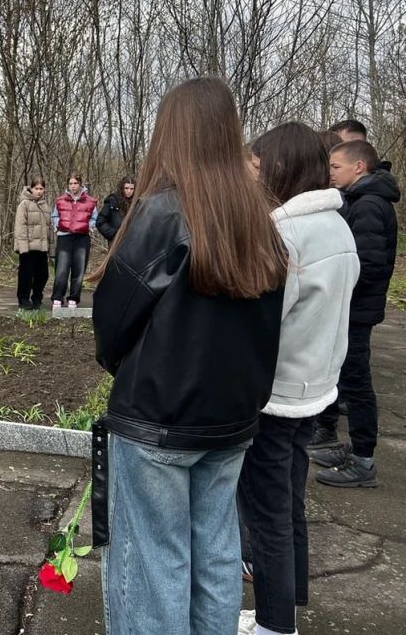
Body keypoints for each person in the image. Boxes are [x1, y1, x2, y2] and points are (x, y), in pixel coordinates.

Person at [91, 77, 288, 634]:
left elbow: (113, 320)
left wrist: (127, 370)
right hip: (230, 419)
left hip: (157, 418)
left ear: (170, 133)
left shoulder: (161, 211)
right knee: (216, 554)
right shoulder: (261, 221)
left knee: (153, 561)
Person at [238, 123, 359, 635]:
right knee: (288, 504)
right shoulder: (336, 227)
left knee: (266, 515)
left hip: (276, 396)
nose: (251, 175)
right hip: (313, 389)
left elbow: (260, 324)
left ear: (279, 169)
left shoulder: (284, 235)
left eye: (257, 166)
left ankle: (273, 623)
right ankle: (290, 601)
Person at [309, 139, 399, 487]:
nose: (330, 173)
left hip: (355, 312)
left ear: (358, 167)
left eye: (335, 167)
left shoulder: (369, 206)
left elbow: (367, 265)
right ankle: (352, 446)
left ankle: (363, 460)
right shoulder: (360, 201)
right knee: (346, 378)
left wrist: (335, 289)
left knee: (357, 384)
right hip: (352, 308)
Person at [50, 173, 97, 309]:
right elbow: (54, 215)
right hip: (65, 237)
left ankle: (74, 298)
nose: (73, 186)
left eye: (75, 183)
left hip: (82, 238)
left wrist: (89, 226)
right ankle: (57, 297)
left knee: (79, 268)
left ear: (80, 184)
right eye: (70, 183)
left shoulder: (90, 201)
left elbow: (94, 218)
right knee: (62, 268)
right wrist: (59, 224)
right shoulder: (60, 200)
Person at [13, 180, 51, 310]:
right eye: (36, 188)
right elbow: (20, 227)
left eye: (41, 188)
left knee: (43, 275)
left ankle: (37, 298)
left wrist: (51, 249)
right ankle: (23, 299)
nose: (39, 191)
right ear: (31, 189)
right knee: (26, 275)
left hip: (41, 247)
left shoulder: (45, 205)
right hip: (28, 247)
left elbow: (49, 228)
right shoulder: (24, 204)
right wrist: (23, 247)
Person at [95, 176, 135, 246]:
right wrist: (114, 234)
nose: (129, 191)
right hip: (116, 243)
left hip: (133, 242)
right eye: (126, 188)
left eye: (132, 189)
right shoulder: (113, 200)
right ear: (122, 188)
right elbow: (100, 222)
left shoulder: (137, 202)